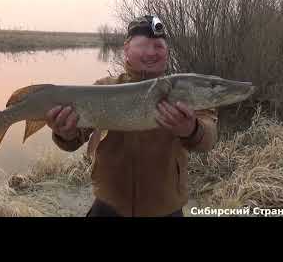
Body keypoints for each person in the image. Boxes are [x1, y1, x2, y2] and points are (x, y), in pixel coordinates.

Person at [45, 15, 218, 217]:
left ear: (167, 52)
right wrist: (65, 133)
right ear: (126, 49)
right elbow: (74, 140)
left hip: (166, 207)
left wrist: (192, 129)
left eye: (158, 46)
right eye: (143, 45)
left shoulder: (187, 90)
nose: (151, 52)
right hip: (109, 204)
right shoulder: (105, 87)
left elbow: (208, 138)